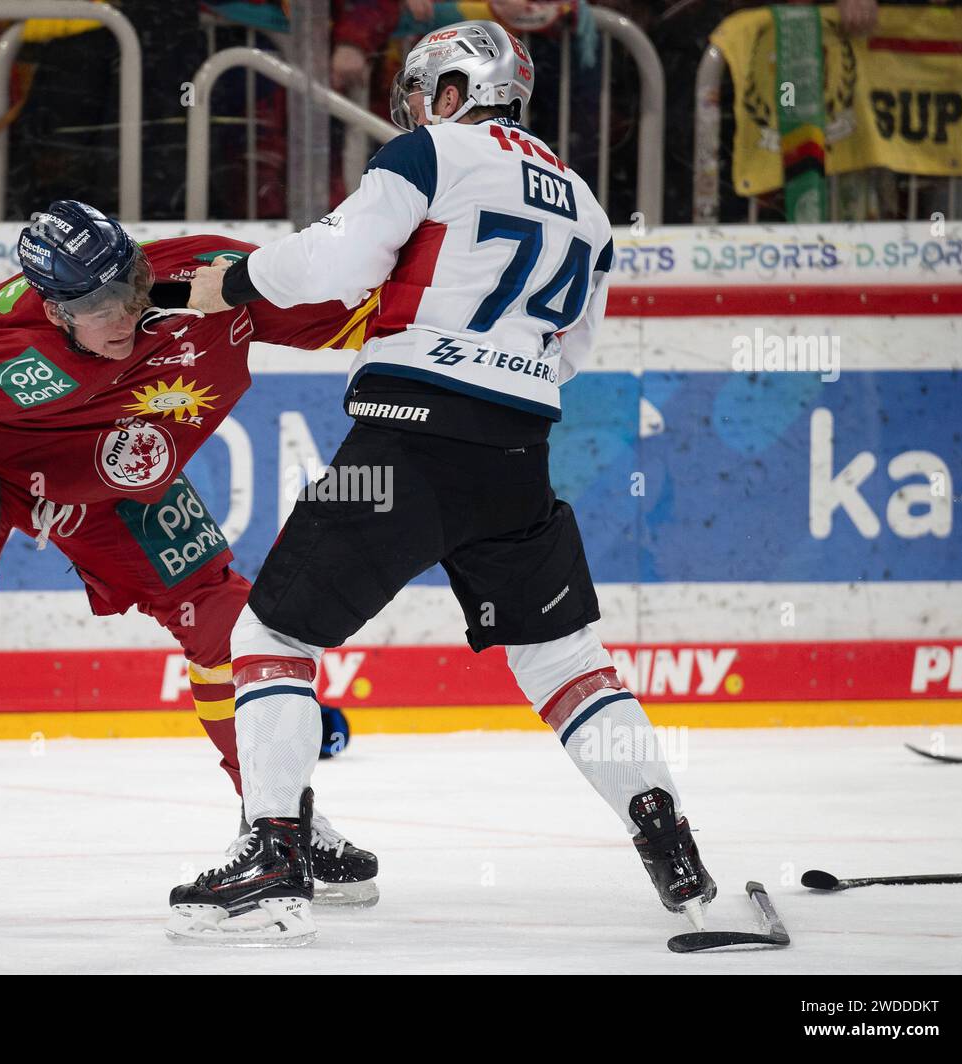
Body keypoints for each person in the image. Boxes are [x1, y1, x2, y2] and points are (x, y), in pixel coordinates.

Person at [168, 20, 716, 946]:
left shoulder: (431, 153)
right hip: (517, 458)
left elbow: (337, 263)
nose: (415, 112)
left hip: (405, 443)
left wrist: (239, 282)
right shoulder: (584, 199)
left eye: (423, 94)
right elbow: (573, 351)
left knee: (271, 633)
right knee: (568, 662)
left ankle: (273, 859)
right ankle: (674, 847)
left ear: (455, 90)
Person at [0, 200, 379, 931]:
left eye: (129, 289)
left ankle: (282, 821)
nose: (121, 315)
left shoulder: (209, 278)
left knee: (223, 618)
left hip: (111, 467)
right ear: (53, 311)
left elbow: (349, 312)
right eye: (94, 306)